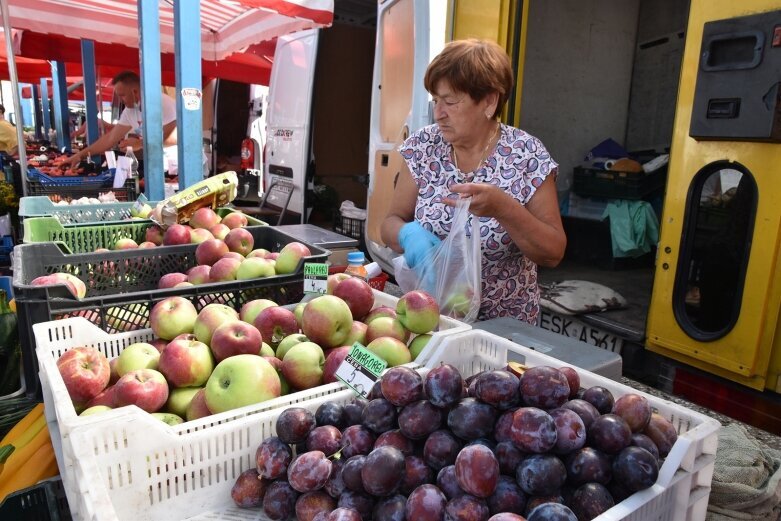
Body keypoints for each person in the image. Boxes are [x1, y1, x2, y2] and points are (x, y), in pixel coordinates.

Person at [380, 39, 566, 324]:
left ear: (489, 101)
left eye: (451, 101)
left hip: (503, 327)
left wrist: (504, 209)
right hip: (431, 319)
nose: (438, 113)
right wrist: (409, 235)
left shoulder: (526, 155)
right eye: (435, 101)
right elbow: (390, 222)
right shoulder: (423, 146)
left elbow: (553, 252)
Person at [66, 70, 178, 175]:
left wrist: (140, 143)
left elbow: (174, 136)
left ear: (134, 92)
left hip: (175, 169)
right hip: (156, 169)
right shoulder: (129, 111)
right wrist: (80, 155)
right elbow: (110, 138)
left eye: (122, 95)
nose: (120, 100)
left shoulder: (161, 102)